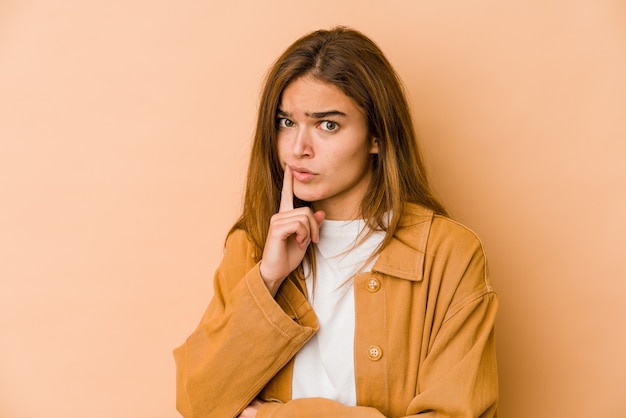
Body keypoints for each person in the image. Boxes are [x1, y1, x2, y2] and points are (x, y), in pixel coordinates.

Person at [173, 27, 498, 418]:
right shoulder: (254, 245)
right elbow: (198, 404)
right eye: (285, 122)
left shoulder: (448, 254)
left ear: (376, 136)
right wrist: (269, 278)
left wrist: (270, 416)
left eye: (327, 125)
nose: (297, 148)